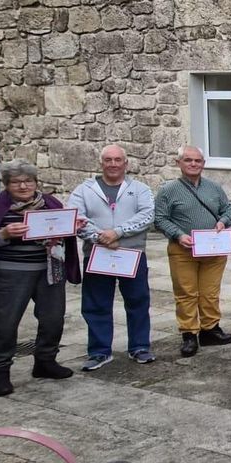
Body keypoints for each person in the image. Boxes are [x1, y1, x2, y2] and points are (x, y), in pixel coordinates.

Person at [0, 161, 81, 396]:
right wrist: (3, 235)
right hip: (10, 272)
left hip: (49, 269)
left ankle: (45, 362)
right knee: (5, 323)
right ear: (6, 184)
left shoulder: (50, 204)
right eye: (16, 182)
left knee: (53, 318)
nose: (23, 185)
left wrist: (72, 227)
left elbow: (61, 232)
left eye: (28, 181)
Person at [72, 144, 157, 369]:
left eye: (118, 160)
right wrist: (100, 237)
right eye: (108, 160)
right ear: (101, 163)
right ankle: (99, 351)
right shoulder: (84, 190)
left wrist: (117, 232)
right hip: (97, 253)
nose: (113, 164)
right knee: (96, 303)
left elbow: (147, 215)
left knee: (138, 302)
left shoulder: (139, 189)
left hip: (132, 254)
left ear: (125, 163)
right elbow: (76, 218)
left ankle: (139, 347)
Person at [153, 145, 231, 358]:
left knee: (210, 292)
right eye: (188, 160)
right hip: (183, 249)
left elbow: (228, 209)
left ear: (203, 164)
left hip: (213, 248)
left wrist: (222, 222)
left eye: (197, 161)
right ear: (179, 163)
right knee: (186, 292)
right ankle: (189, 333)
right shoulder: (168, 190)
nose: (193, 164)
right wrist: (178, 235)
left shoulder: (213, 187)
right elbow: (160, 218)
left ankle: (210, 329)